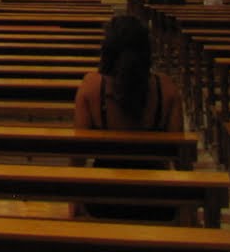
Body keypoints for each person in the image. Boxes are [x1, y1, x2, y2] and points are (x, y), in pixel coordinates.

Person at [74, 15, 183, 219]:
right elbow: (181, 157)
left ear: (107, 50)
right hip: (159, 199)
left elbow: (78, 154)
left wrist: (74, 204)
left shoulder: (91, 87)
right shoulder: (167, 89)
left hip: (101, 199)